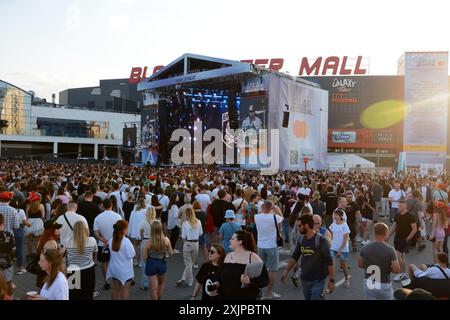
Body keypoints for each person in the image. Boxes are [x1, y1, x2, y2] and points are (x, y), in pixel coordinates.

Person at [281, 214, 335, 300]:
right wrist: (286, 271)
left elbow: (329, 261)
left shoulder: (321, 240)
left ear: (306, 225)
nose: (298, 228)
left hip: (318, 279)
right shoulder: (301, 239)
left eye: (299, 225)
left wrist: (331, 280)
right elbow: (295, 257)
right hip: (305, 279)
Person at [219, 230, 269, 300]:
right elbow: (222, 277)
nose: (230, 240)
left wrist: (249, 281)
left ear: (240, 242)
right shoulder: (228, 256)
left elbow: (264, 279)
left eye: (232, 239)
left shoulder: (252, 257)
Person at [359, 223, 400, 300]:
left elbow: (360, 264)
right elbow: (397, 269)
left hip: (369, 283)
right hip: (384, 284)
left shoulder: (365, 247)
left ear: (375, 233)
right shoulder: (390, 250)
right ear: (386, 233)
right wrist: (387, 268)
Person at [254, 200, 283, 299]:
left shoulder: (257, 217)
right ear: (272, 208)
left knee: (261, 269)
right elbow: (281, 217)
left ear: (262, 207)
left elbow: (259, 213)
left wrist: (265, 209)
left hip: (260, 245)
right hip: (271, 246)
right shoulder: (275, 217)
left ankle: (259, 291)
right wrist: (276, 209)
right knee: (272, 270)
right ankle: (269, 292)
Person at [93, 198, 122, 290]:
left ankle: (106, 281)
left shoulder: (98, 217)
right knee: (116, 261)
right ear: (111, 205)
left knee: (104, 263)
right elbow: (121, 231)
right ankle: (116, 279)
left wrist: (102, 239)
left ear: (102, 205)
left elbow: (96, 233)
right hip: (115, 243)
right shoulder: (118, 216)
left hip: (103, 244)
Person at [65, 221, 98, 300]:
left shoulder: (68, 241)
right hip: (88, 271)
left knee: (73, 295)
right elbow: (95, 255)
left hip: (73, 271)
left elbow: (66, 255)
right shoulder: (92, 240)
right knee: (88, 294)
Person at [143, 220, 173, 300]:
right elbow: (171, 253)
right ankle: (159, 297)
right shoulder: (166, 240)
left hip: (151, 263)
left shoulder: (149, 242)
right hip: (161, 263)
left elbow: (145, 257)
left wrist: (148, 261)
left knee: (153, 287)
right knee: (161, 283)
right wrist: (166, 256)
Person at [388, 200, 417, 282]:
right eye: (398, 205)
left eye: (400, 206)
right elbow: (394, 226)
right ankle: (404, 273)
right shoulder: (397, 215)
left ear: (405, 206)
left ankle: (401, 273)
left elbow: (414, 229)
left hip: (404, 239)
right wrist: (388, 235)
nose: (398, 207)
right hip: (397, 238)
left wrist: (408, 238)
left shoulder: (410, 216)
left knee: (398, 255)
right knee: (401, 256)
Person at [106, 220, 135, 300]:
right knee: (125, 290)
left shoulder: (111, 240)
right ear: (124, 229)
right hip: (125, 271)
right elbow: (132, 254)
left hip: (114, 269)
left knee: (115, 289)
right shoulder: (126, 241)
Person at [177, 207, 203, 287]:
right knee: (190, 263)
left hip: (187, 244)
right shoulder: (198, 221)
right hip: (196, 244)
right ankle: (183, 278)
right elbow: (200, 233)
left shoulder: (185, 223)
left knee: (188, 264)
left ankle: (190, 280)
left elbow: (183, 236)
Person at [35, 220, 64, 288]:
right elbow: (52, 258)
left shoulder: (42, 239)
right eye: (57, 228)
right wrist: (61, 253)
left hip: (42, 267)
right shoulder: (52, 242)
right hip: (48, 269)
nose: (59, 230)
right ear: (52, 230)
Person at [329, 209, 351, 288]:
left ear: (341, 216)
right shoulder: (333, 225)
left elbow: (346, 239)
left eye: (337, 215)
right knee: (332, 265)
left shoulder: (344, 225)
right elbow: (331, 236)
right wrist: (330, 244)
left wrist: (340, 249)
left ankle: (346, 279)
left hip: (343, 249)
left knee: (344, 266)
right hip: (333, 248)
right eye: (334, 215)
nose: (335, 216)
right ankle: (332, 281)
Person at [138, 206, 157, 290]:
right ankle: (153, 282)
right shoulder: (157, 222)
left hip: (145, 242)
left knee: (144, 263)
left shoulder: (143, 222)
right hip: (154, 242)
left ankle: (145, 283)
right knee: (154, 262)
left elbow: (141, 233)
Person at [10, 198, 31, 275]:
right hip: (19, 230)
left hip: (10, 231)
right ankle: (19, 268)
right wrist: (29, 224)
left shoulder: (9, 210)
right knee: (20, 249)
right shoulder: (21, 211)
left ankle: (8, 267)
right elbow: (25, 221)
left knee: (10, 248)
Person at [0, 213, 16, 299]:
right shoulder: (9, 234)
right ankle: (10, 298)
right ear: (3, 222)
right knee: (8, 282)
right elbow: (13, 250)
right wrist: (11, 259)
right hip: (7, 263)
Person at [128, 198, 147, 266]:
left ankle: (136, 260)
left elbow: (130, 222)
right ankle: (142, 261)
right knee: (143, 246)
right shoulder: (146, 212)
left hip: (135, 231)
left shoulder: (133, 212)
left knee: (136, 245)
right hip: (144, 231)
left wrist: (129, 231)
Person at [24, 192, 43, 257]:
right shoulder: (41, 206)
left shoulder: (28, 206)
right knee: (38, 240)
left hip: (30, 222)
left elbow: (26, 216)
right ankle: (38, 253)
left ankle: (29, 253)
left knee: (30, 240)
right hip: (38, 223)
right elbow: (43, 216)